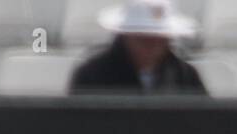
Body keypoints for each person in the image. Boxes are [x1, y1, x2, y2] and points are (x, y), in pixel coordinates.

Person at [69, 0, 206, 95]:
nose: (154, 47)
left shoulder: (185, 76)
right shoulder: (93, 75)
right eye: (144, 39)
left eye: (161, 40)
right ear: (126, 37)